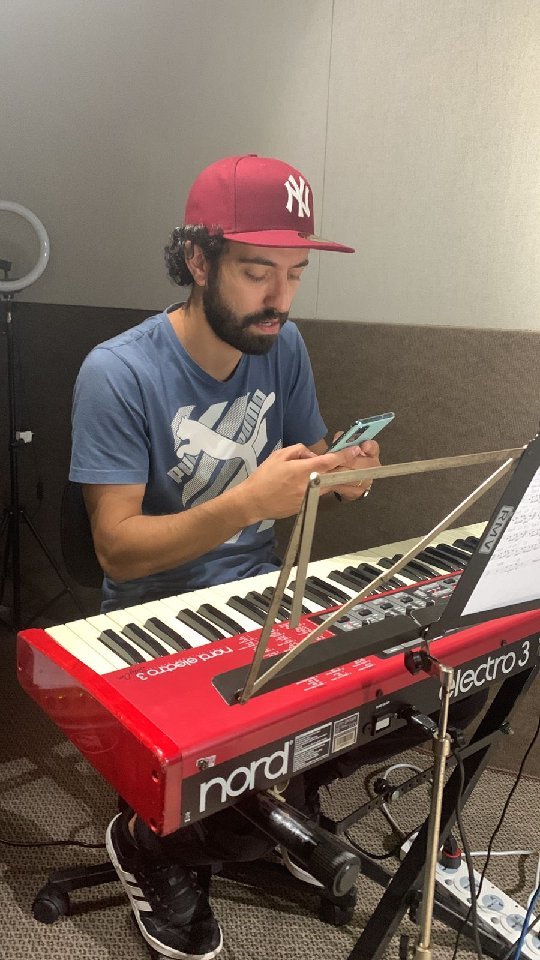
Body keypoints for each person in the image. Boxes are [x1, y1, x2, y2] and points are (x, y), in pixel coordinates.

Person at [70, 154, 485, 960]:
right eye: (258, 272)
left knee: (442, 681)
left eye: (295, 274)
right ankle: (152, 841)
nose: (281, 299)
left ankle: (280, 804)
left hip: (265, 598)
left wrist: (343, 478)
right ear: (199, 260)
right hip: (155, 620)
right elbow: (115, 546)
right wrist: (244, 504)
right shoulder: (117, 372)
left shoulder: (281, 345)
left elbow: (311, 466)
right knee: (240, 804)